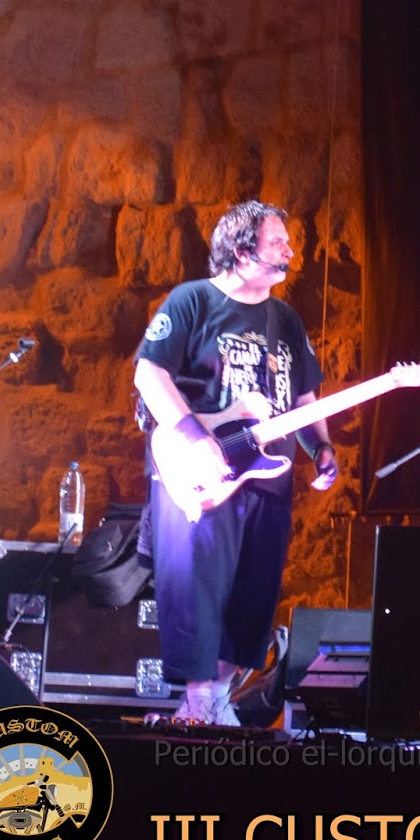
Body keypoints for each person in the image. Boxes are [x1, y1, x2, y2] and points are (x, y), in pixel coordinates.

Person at [134, 201, 339, 725]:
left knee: (255, 595)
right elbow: (149, 374)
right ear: (243, 252)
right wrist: (194, 437)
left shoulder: (284, 319)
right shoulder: (192, 301)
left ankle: (212, 700)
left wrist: (321, 448)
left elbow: (304, 395)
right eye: (277, 242)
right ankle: (198, 700)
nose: (290, 250)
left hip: (267, 475)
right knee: (197, 586)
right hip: (200, 467)